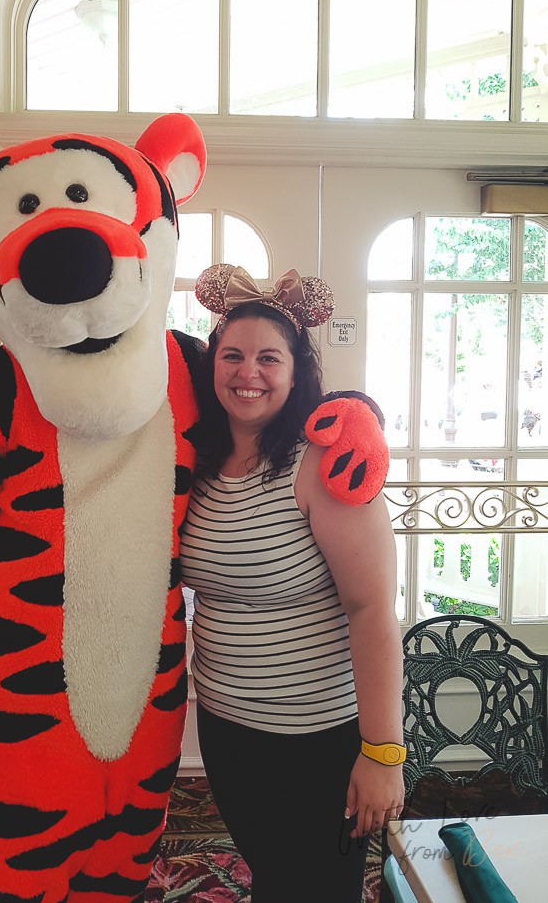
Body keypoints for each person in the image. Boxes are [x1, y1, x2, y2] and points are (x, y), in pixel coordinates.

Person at [179, 263, 405, 903]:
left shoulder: (327, 461)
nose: (248, 372)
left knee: (318, 887)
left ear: (297, 370)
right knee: (274, 877)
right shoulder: (198, 462)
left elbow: (371, 610)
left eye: (268, 358)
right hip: (225, 725)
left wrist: (383, 752)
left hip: (318, 738)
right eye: (233, 355)